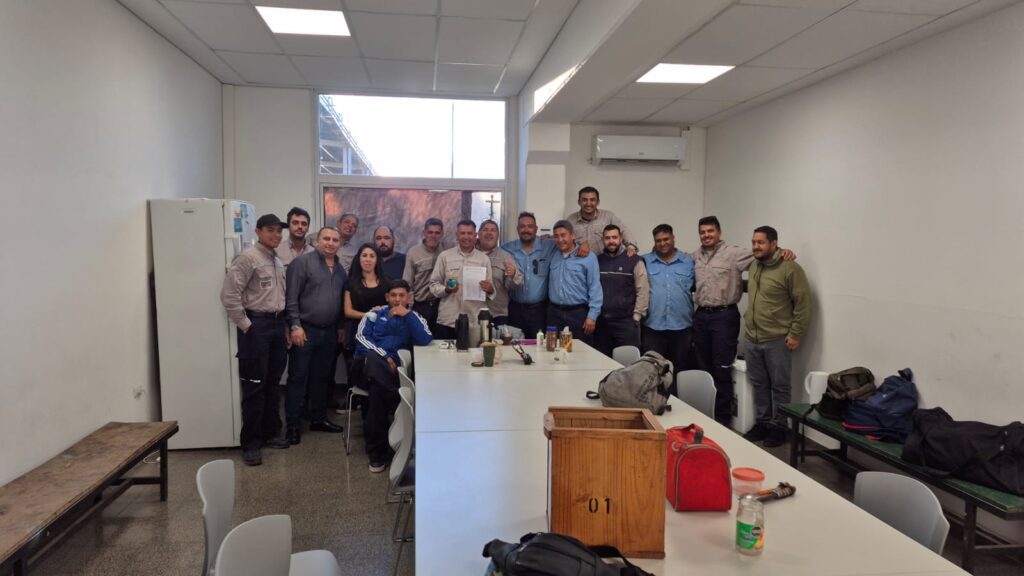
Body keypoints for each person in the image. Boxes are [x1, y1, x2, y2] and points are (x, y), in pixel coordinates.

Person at [692, 216, 796, 426]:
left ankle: (722, 420)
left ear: (719, 232)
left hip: (724, 316)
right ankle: (705, 414)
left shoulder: (734, 253)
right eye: (702, 232)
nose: (706, 235)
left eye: (710, 231)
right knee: (703, 367)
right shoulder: (695, 256)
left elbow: (764, 254)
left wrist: (783, 251)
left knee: (722, 369)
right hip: (701, 316)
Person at [220, 214, 291, 466]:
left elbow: (279, 297)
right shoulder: (248, 258)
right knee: (255, 386)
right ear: (258, 232)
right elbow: (229, 295)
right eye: (271, 230)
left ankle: (270, 433)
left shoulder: (276, 259)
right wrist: (247, 325)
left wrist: (284, 328)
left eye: (279, 231)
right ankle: (251, 444)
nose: (276, 235)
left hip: (277, 325)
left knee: (273, 384)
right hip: (256, 326)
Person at [742, 226, 812, 448]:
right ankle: (763, 423)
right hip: (752, 338)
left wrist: (795, 333)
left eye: (761, 242)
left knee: (780, 387)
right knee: (759, 384)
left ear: (774, 244)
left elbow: (803, 304)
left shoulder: (790, 268)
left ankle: (779, 427)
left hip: (777, 339)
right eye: (754, 242)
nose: (756, 246)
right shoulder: (755, 265)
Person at [355, 279, 433, 473]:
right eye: (393, 295)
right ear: (387, 297)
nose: (397, 299)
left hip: (395, 372)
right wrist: (385, 357)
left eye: (402, 296)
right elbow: (361, 340)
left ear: (408, 297)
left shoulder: (415, 317)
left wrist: (408, 316)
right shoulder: (374, 314)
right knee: (373, 360)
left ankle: (377, 454)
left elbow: (425, 340)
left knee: (376, 394)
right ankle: (394, 396)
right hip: (371, 367)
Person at [284, 227, 347, 445]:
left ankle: (318, 419)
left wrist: (340, 326)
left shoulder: (340, 269)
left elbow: (340, 301)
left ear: (339, 244)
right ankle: (292, 426)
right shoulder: (302, 263)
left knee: (321, 378)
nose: (331, 243)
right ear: (317, 241)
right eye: (326, 239)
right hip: (305, 330)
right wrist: (295, 325)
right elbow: (291, 298)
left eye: (335, 240)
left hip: (329, 332)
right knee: (298, 379)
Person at [502, 212, 592, 337]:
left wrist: (584, 244)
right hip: (515, 309)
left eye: (530, 226)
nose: (526, 230)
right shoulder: (507, 248)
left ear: (536, 229)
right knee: (516, 343)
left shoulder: (549, 245)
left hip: (540, 311)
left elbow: (567, 241)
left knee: (540, 345)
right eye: (522, 226)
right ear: (517, 229)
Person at [642, 224, 695, 392]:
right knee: (652, 370)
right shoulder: (644, 261)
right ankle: (655, 402)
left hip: (682, 327)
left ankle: (678, 403)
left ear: (673, 239)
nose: (662, 243)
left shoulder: (688, 261)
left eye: (666, 239)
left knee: (680, 370)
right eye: (658, 240)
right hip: (653, 326)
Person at [429, 219, 494, 339]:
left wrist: (490, 289)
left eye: (469, 233)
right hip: (448, 320)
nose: (466, 237)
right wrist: (446, 289)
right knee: (444, 351)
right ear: (457, 235)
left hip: (473, 321)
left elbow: (491, 290)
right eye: (462, 233)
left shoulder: (484, 259)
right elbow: (433, 285)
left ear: (475, 236)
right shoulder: (445, 256)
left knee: (472, 351)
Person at [343, 244, 390, 407]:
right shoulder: (350, 283)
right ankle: (358, 405)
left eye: (372, 256)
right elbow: (348, 311)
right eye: (364, 255)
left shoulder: (386, 283)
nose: (367, 259)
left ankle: (376, 409)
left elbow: (391, 310)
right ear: (359, 259)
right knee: (357, 373)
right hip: (357, 334)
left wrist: (381, 312)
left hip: (380, 335)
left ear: (377, 260)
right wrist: (369, 314)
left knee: (378, 374)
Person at [595, 224, 648, 358]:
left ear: (621, 239)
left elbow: (642, 290)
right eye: (607, 238)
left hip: (626, 323)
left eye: (614, 237)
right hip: (602, 322)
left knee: (629, 364)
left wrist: (637, 316)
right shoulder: (597, 261)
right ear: (603, 240)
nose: (611, 241)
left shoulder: (634, 260)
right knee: (603, 362)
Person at [547, 220, 602, 345]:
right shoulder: (552, 254)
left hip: (578, 314)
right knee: (552, 349)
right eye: (556, 236)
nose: (560, 240)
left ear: (572, 235)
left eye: (563, 235)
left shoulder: (589, 257)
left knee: (579, 351)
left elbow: (595, 287)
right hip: (554, 313)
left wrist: (592, 316)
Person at [403, 218, 446, 334]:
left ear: (442, 234)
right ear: (424, 233)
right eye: (430, 232)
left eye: (437, 233)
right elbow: (407, 283)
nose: (433, 236)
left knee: (439, 340)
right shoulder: (413, 253)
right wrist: (409, 309)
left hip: (441, 305)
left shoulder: (447, 252)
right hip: (421, 306)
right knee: (420, 339)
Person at [477, 220, 523, 327]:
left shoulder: (506, 257)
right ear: (479, 234)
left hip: (497, 313)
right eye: (485, 230)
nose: (489, 233)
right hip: (472, 312)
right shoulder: (470, 254)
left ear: (498, 236)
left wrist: (513, 275)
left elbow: (515, 285)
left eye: (493, 230)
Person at [565, 186, 634, 251]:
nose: (588, 203)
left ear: (598, 202)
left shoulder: (608, 216)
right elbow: (565, 241)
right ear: (579, 202)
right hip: (579, 259)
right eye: (584, 200)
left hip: (604, 259)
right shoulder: (570, 220)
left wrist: (631, 246)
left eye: (592, 200)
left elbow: (624, 231)